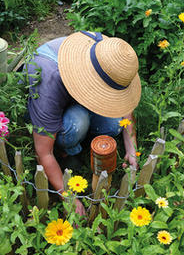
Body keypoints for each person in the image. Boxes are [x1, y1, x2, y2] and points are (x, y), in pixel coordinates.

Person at [25, 30, 141, 215]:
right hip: (52, 86)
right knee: (76, 124)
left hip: (70, 86)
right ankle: (67, 150)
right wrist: (68, 196)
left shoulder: (110, 55)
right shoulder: (48, 82)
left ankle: (80, 135)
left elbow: (125, 108)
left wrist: (131, 147)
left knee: (114, 124)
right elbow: (43, 152)